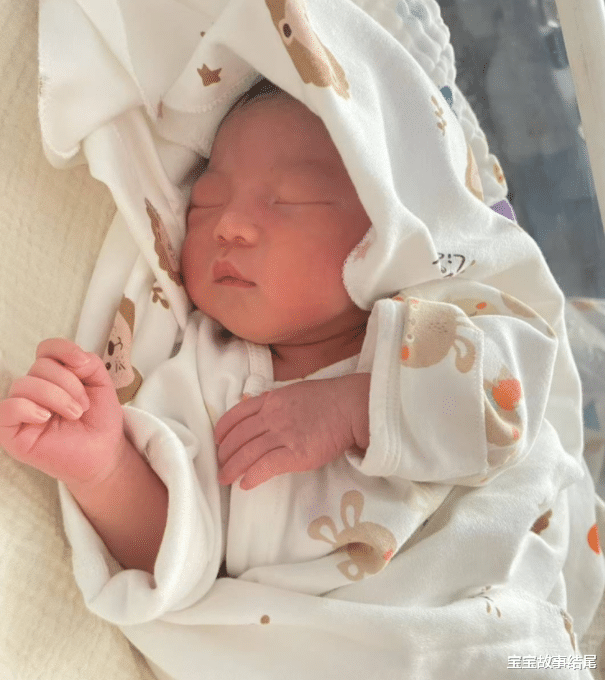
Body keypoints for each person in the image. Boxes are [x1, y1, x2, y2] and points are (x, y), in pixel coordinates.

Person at [0, 79, 599, 679]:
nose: (230, 225)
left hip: (486, 640)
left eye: (289, 201)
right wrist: (105, 469)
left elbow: (508, 400)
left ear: (386, 231)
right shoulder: (202, 374)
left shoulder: (438, 327)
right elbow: (182, 555)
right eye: (205, 203)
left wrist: (356, 406)